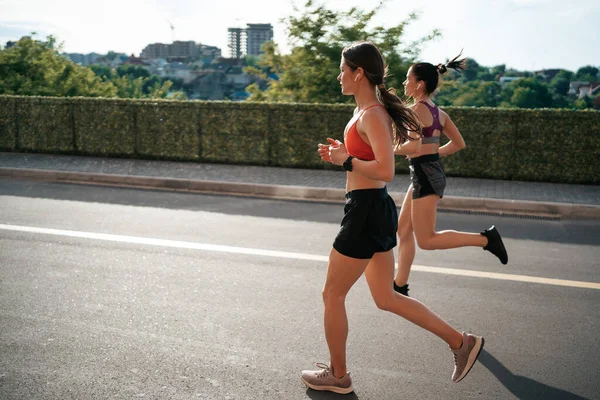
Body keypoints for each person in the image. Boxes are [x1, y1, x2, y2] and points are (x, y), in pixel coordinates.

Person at [301, 41, 484, 395]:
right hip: (372, 208)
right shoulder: (366, 112)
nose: (339, 75)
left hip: (366, 210)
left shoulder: (372, 114)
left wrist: (346, 161)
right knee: (386, 298)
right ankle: (461, 343)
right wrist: (341, 156)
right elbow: (368, 161)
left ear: (359, 73)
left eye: (343, 69)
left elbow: (385, 170)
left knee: (331, 295)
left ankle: (338, 375)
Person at [392, 53, 508, 297]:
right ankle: (399, 284)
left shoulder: (415, 110)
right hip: (427, 173)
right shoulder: (438, 113)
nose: (404, 83)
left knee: (427, 240)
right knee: (403, 231)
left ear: (420, 84)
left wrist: (390, 149)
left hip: (424, 176)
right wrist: (431, 155)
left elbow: (411, 147)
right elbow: (458, 143)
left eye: (407, 79)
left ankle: (486, 239)